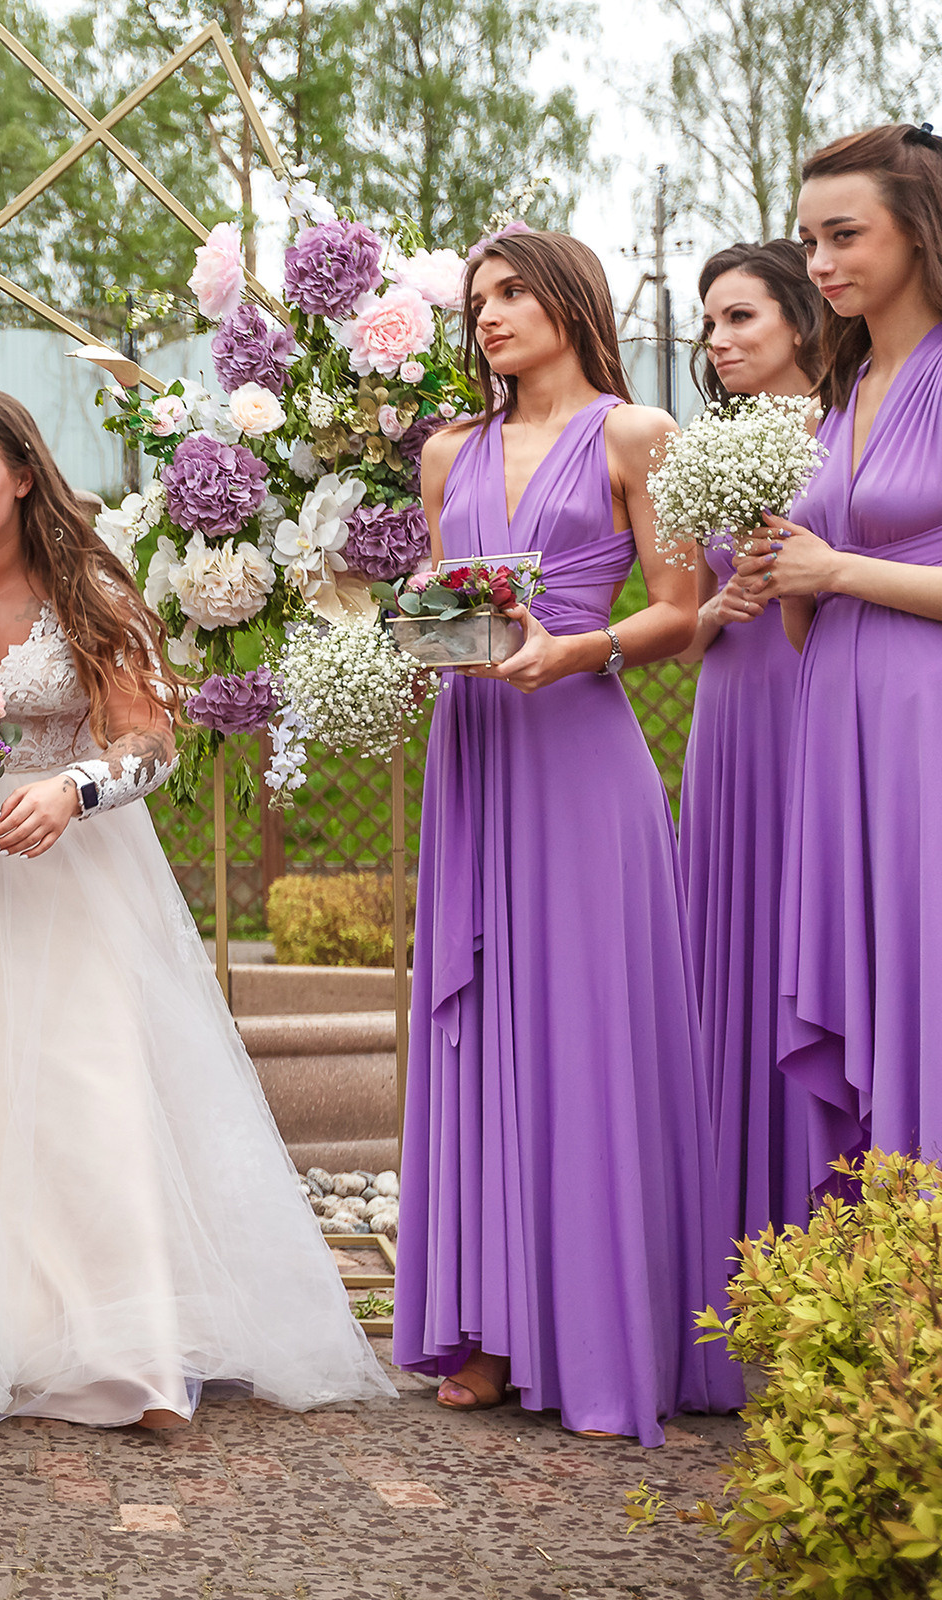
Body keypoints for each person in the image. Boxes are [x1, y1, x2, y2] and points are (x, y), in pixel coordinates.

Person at [0, 387, 393, 1430]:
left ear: (24, 474)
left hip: (70, 873)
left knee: (86, 1092)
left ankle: (127, 1348)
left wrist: (74, 790)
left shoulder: (90, 591)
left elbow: (149, 739)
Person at [399, 229, 738, 1443]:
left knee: (587, 1027)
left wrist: (579, 647)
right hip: (476, 753)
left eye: (512, 292)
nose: (488, 315)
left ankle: (602, 1331)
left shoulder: (636, 437)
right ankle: (488, 1325)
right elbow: (446, 608)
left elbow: (683, 613)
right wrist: (407, 647)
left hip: (583, 751)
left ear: (569, 300)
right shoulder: (448, 454)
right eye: (477, 298)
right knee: (480, 1021)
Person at [736, 124, 942, 1183]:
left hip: (925, 722)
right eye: (808, 241)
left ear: (919, 230)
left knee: (926, 970)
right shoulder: (843, 395)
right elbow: (805, 598)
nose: (818, 265)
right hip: (835, 717)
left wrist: (840, 572)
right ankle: (882, 1294)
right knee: (869, 982)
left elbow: (845, 569)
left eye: (843, 235)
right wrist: (782, 575)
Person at [671, 244, 827, 1247]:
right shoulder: (698, 452)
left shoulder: (855, 434)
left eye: (742, 319)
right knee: (731, 948)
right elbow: (672, 627)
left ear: (802, 323)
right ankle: (728, 1230)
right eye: (711, 325)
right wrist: (718, 606)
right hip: (730, 710)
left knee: (815, 939)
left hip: (821, 704)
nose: (719, 342)